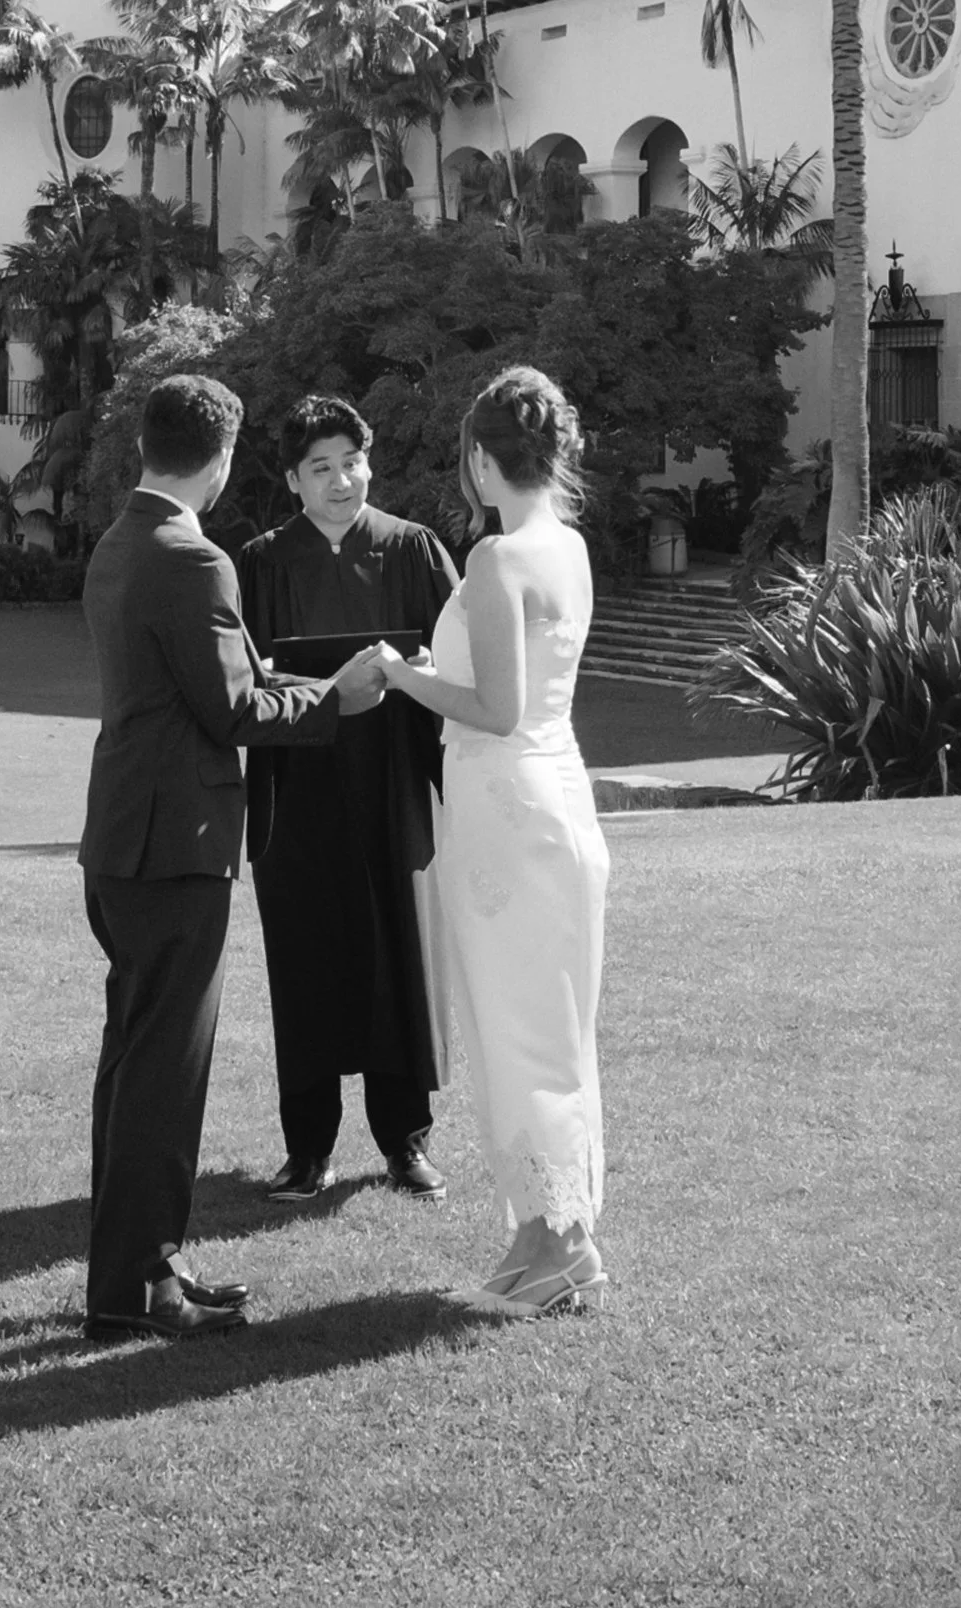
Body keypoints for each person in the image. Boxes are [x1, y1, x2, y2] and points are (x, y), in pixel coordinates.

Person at [78, 371, 389, 1342]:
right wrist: (336, 699)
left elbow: (233, 678)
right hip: (176, 843)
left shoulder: (123, 539)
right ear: (218, 456)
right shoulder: (194, 556)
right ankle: (141, 1285)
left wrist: (312, 683)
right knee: (163, 1072)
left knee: (134, 1063)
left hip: (126, 834)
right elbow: (233, 707)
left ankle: (129, 1275)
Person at [374, 365, 608, 1320]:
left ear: (479, 460)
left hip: (509, 809)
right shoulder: (571, 548)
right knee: (541, 1023)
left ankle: (561, 1244)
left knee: (522, 1026)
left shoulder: (496, 561)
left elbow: (496, 710)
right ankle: (540, 1235)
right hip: (553, 799)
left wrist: (401, 674)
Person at [238, 395, 461, 1203]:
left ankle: (406, 1143)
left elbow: (462, 669)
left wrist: (421, 672)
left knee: (399, 956)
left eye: (353, 463)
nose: (341, 482)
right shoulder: (260, 563)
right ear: (294, 481)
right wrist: (337, 686)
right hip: (299, 794)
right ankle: (308, 1148)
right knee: (308, 960)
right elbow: (245, 679)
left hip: (395, 786)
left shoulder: (414, 549)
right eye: (321, 469)